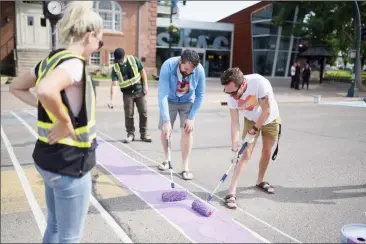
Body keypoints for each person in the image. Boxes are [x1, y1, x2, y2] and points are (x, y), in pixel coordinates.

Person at [9, 1, 103, 242]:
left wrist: (51, 110)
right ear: (90, 35)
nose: (97, 47)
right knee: (70, 236)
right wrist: (64, 121)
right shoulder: (74, 64)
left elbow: (17, 87)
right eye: (99, 42)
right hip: (70, 164)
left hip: (47, 158)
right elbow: (46, 90)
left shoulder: (50, 60)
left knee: (54, 227)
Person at [220, 68, 281, 209]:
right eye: (227, 92)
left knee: (266, 151)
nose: (232, 96)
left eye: (234, 92)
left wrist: (253, 131)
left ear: (242, 85)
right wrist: (235, 147)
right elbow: (235, 122)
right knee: (244, 154)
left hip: (270, 119)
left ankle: (260, 181)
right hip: (251, 119)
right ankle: (231, 192)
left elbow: (266, 111)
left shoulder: (260, 83)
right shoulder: (231, 96)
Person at [157, 49, 206, 180]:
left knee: (188, 131)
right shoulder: (168, 66)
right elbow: (162, 94)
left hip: (187, 101)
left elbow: (200, 94)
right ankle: (167, 160)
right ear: (180, 61)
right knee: (165, 131)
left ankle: (185, 167)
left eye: (191, 70)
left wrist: (191, 117)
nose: (188, 72)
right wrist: (166, 120)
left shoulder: (199, 70)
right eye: (186, 69)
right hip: (169, 100)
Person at [109, 48, 152, 143]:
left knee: (143, 112)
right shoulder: (116, 68)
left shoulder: (133, 59)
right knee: (129, 115)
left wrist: (145, 85)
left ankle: (144, 134)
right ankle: (130, 134)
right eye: (117, 60)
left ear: (125, 56)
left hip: (139, 91)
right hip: (127, 94)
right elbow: (114, 84)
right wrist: (111, 100)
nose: (119, 62)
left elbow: (142, 71)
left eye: (120, 60)